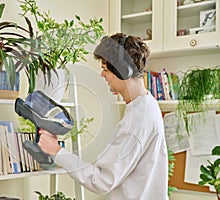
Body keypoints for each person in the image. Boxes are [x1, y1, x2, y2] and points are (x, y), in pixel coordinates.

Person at [38, 33, 168, 200]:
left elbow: (101, 180)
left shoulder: (138, 119)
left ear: (123, 71)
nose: (102, 75)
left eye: (105, 69)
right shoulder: (146, 105)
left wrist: (57, 151)